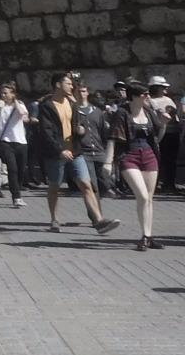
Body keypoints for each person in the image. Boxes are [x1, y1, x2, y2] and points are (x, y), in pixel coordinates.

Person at [36, 71, 119, 236]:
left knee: (86, 185)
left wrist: (80, 131)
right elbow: (46, 132)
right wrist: (60, 150)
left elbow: (76, 126)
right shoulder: (46, 106)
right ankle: (54, 218)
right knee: (55, 186)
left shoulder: (72, 104)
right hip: (56, 154)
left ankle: (99, 220)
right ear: (58, 85)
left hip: (75, 152)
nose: (71, 86)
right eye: (68, 83)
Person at [106, 80, 164, 251]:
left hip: (149, 155)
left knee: (149, 199)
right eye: (144, 94)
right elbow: (113, 137)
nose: (148, 96)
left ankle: (147, 236)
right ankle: (145, 236)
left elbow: (157, 137)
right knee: (143, 197)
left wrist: (165, 123)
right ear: (135, 96)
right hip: (129, 156)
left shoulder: (148, 112)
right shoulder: (123, 113)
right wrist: (108, 162)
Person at [0, 82, 29, 209]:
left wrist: (15, 102)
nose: (3, 95)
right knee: (12, 169)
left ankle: (18, 191)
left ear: (13, 94)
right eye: (2, 93)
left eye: (6, 93)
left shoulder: (20, 105)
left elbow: (23, 114)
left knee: (21, 170)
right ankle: (16, 197)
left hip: (21, 142)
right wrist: (1, 103)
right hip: (5, 142)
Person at [147, 77, 178, 193]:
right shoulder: (149, 101)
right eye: (163, 87)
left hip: (172, 132)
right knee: (157, 159)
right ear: (156, 88)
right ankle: (154, 184)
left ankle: (169, 184)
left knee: (171, 160)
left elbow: (175, 115)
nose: (165, 89)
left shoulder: (169, 100)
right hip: (157, 134)